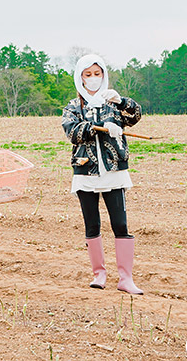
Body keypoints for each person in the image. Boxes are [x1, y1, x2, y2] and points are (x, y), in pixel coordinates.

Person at [62, 54, 144, 294]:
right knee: (92, 223)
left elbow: (135, 117)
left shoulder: (112, 102)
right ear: (80, 78)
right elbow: (72, 132)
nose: (94, 79)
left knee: (120, 223)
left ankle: (125, 278)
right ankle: (99, 273)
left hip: (114, 169)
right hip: (85, 171)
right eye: (88, 75)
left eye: (97, 74)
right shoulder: (73, 106)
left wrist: (122, 102)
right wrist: (98, 128)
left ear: (104, 75)